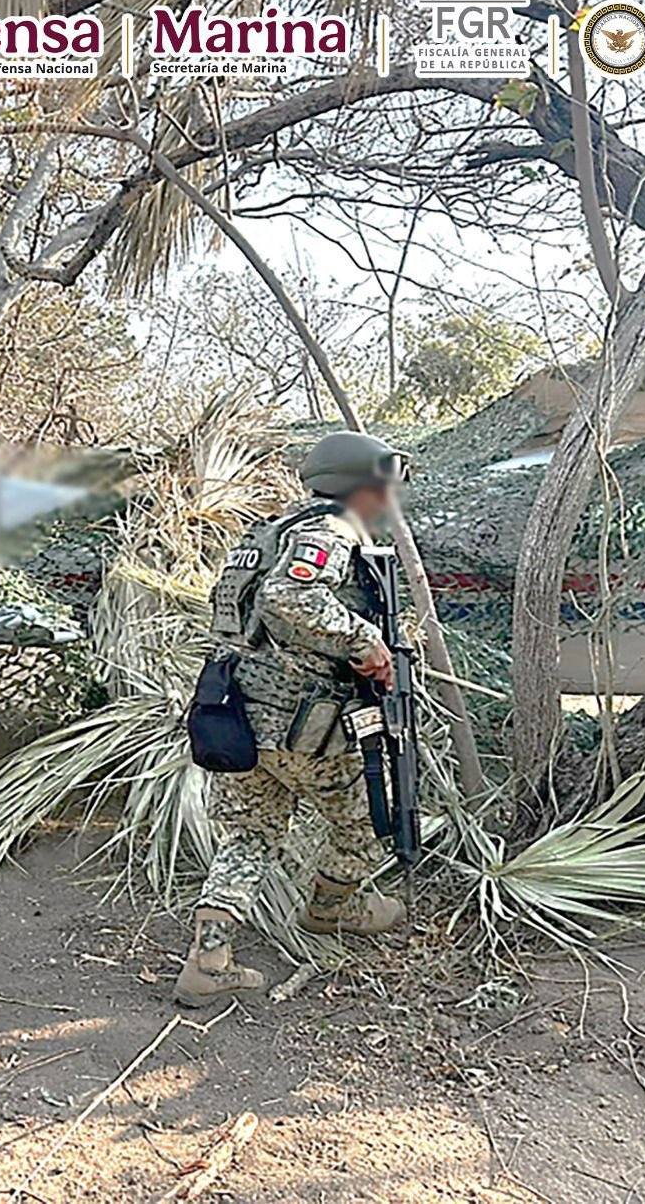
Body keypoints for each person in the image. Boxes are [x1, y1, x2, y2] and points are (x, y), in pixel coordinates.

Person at [175, 430, 411, 1008]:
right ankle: (333, 908)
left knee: (250, 834)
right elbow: (289, 598)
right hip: (306, 727)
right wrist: (366, 644)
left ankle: (208, 959)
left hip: (239, 722)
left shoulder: (268, 535)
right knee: (367, 820)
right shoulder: (330, 531)